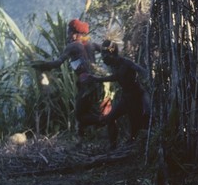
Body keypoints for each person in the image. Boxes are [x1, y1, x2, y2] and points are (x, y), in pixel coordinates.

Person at [31, 19, 117, 148]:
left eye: (68, 32)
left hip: (86, 85)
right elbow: (107, 49)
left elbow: (58, 63)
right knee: (86, 111)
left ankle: (102, 122)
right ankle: (82, 140)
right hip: (97, 83)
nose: (67, 35)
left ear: (74, 34)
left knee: (80, 115)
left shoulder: (73, 46)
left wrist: (41, 66)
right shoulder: (91, 44)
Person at [90, 40, 150, 148]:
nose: (103, 57)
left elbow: (141, 70)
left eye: (105, 54)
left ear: (112, 53)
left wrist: (150, 78)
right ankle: (113, 146)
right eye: (102, 54)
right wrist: (96, 79)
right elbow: (115, 77)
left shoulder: (126, 62)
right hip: (126, 98)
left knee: (136, 127)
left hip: (136, 97)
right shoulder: (114, 65)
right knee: (109, 119)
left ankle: (136, 148)